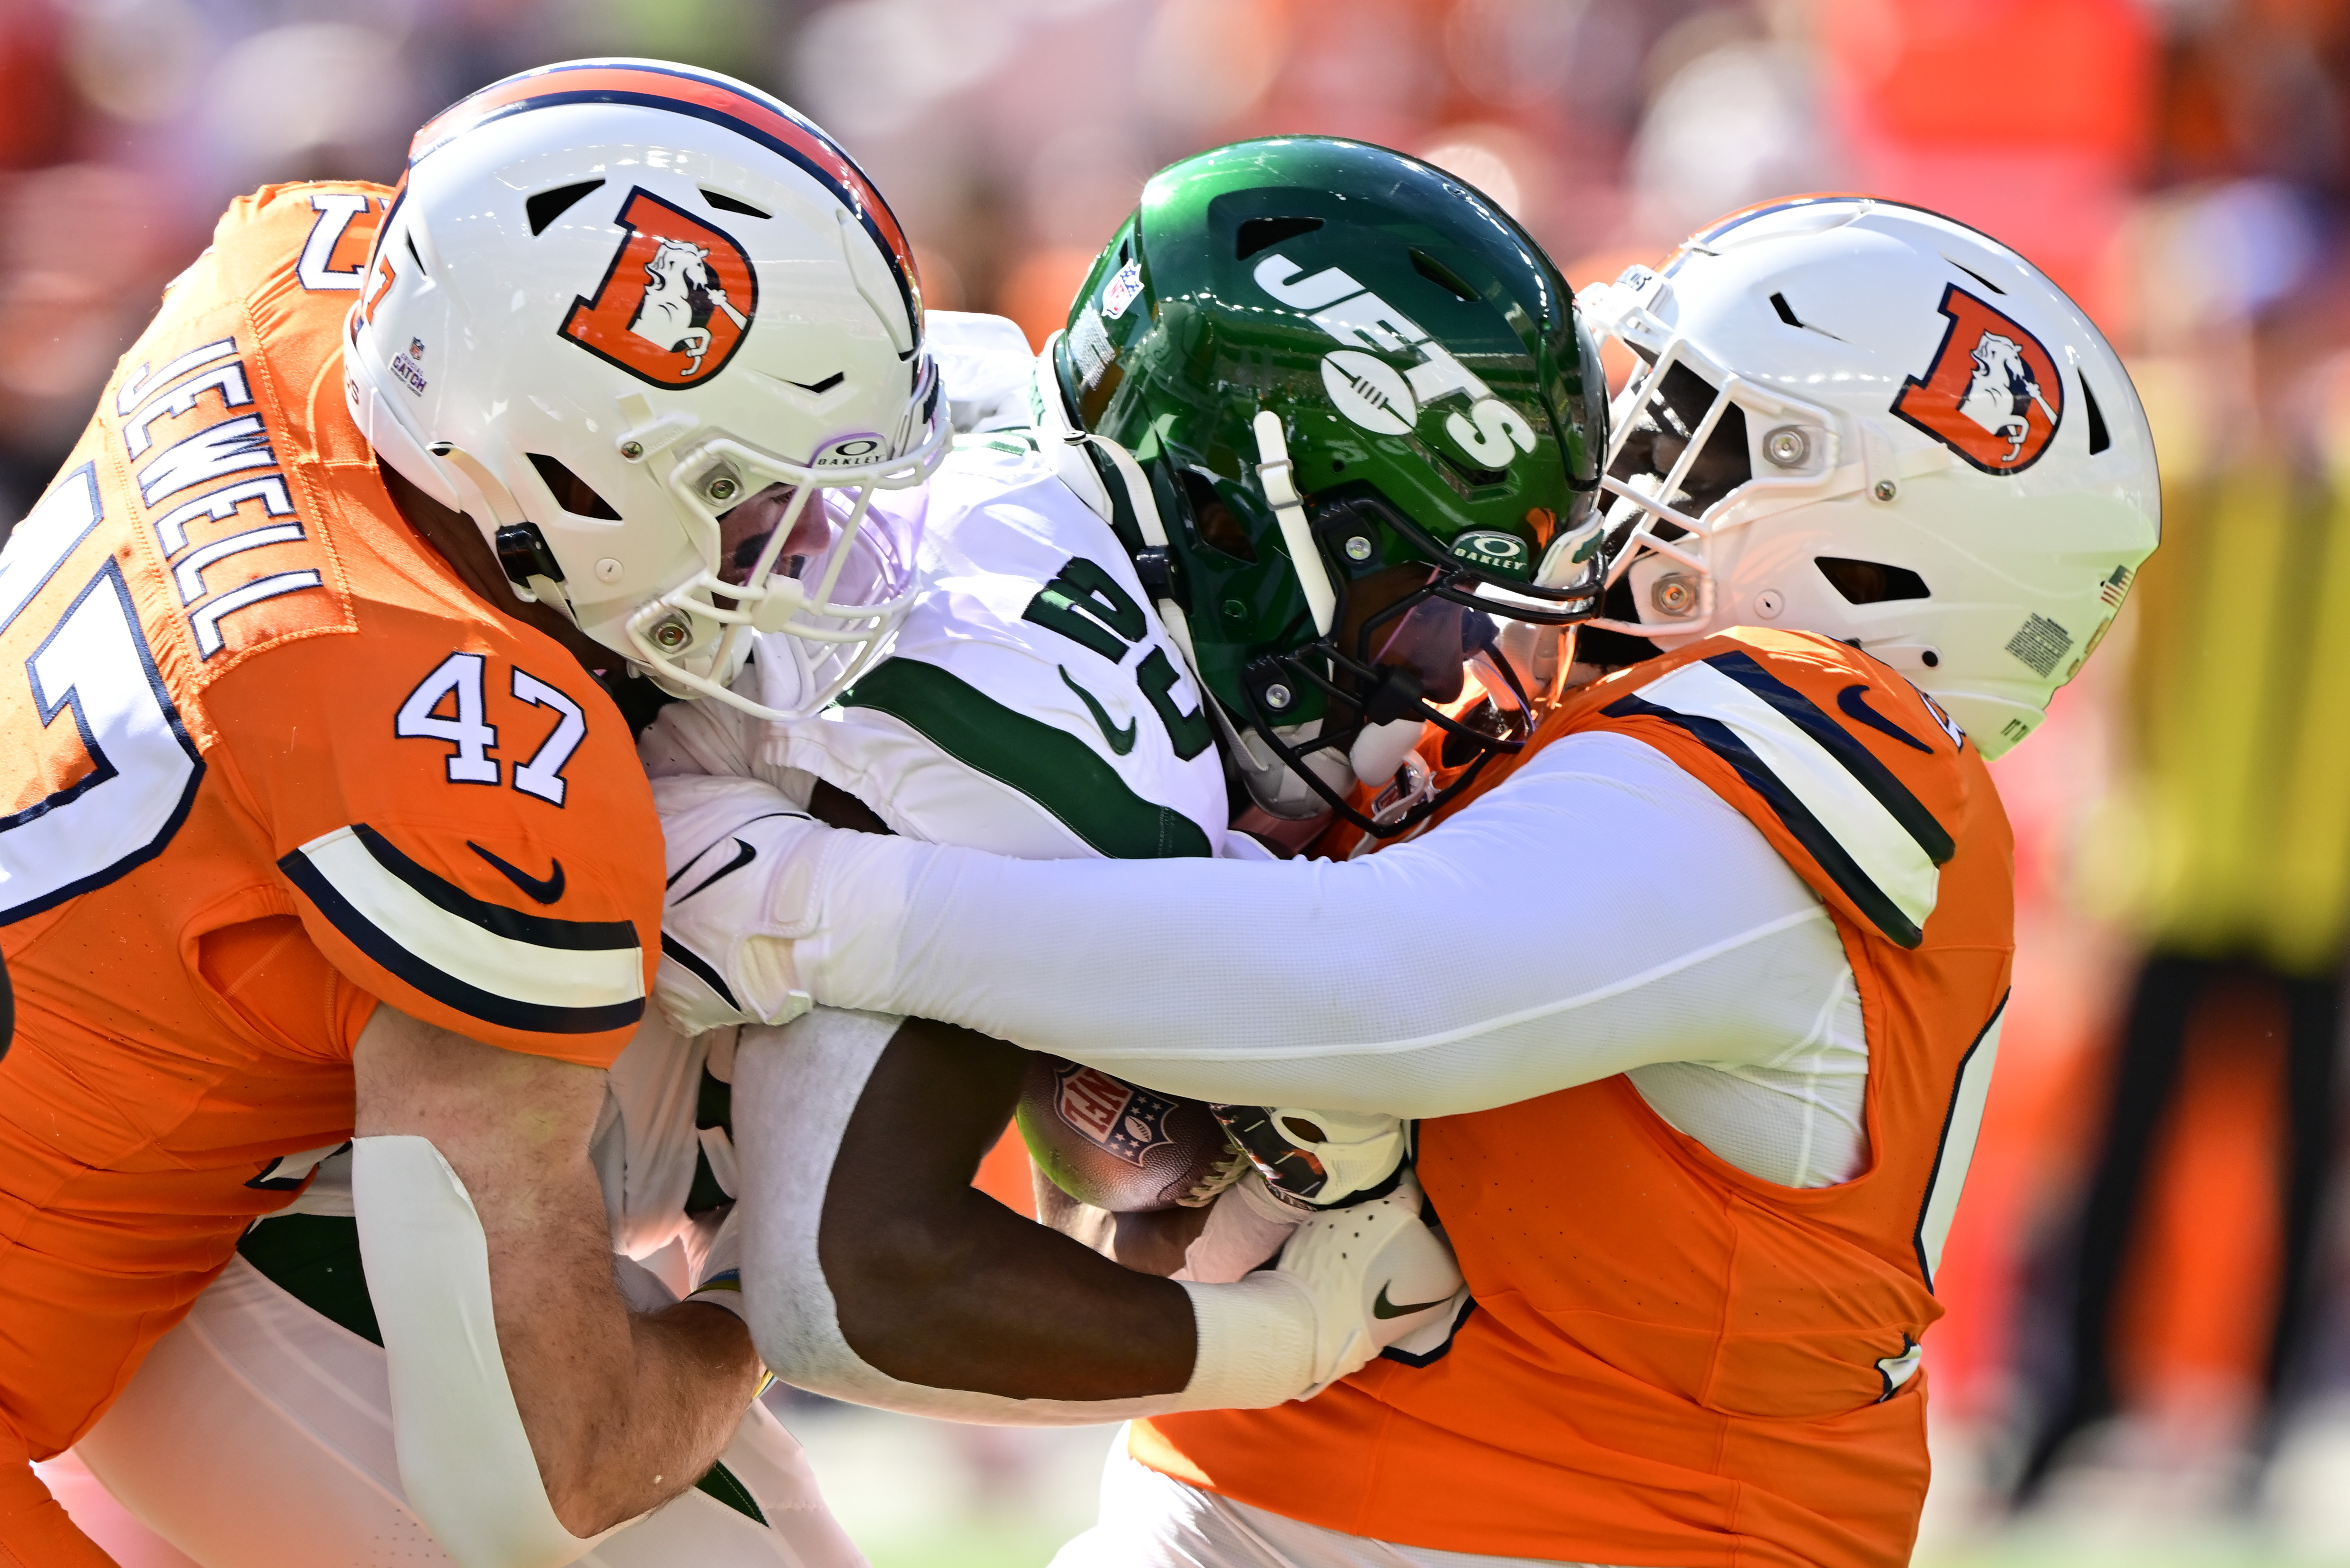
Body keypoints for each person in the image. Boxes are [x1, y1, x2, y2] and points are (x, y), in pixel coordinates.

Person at [652, 194, 2163, 1568]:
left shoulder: (1831, 732)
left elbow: (1355, 989)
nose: (1617, 451)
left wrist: (805, 900)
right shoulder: (1555, 724)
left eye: (1692, 427)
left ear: (1860, 546)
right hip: (1265, 1509)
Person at [0, 57, 952, 1568]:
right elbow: (544, 1472)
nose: (807, 546)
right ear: (579, 466)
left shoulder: (298, 275)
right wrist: (766, 1303)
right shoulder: (470, 754)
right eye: (754, 496)